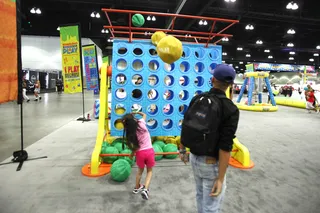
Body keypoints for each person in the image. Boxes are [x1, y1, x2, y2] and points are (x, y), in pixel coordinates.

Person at [179, 64, 239, 213]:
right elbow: (226, 146)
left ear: (212, 79)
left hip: (193, 158)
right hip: (212, 164)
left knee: (200, 196)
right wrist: (220, 177)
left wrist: (182, 150)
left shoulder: (197, 99)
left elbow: (185, 125)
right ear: (230, 85)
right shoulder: (230, 109)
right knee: (211, 208)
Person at [122, 112, 155, 200]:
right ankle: (146, 189)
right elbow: (144, 115)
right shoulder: (141, 122)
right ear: (133, 119)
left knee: (140, 171)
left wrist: (131, 155)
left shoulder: (131, 133)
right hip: (149, 151)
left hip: (140, 153)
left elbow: (135, 147)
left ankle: (136, 188)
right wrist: (137, 112)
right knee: (149, 171)